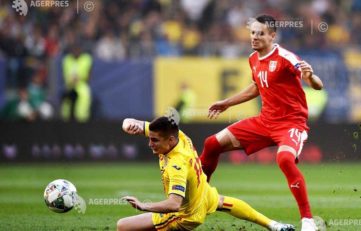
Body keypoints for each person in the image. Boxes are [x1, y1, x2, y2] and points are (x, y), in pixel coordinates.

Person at [199, 15, 324, 231]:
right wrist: (227, 103)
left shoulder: (285, 57)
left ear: (272, 36)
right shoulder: (253, 59)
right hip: (264, 121)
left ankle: (308, 221)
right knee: (212, 143)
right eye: (253, 33)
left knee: (284, 159)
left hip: (291, 123)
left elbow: (317, 84)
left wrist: (311, 77)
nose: (255, 37)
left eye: (261, 33)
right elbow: (257, 86)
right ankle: (198, 195)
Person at [117, 116, 296, 231]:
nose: (150, 144)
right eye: (150, 138)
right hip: (202, 191)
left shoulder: (176, 165)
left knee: (123, 226)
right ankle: (273, 225)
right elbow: (139, 125)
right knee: (224, 202)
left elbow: (173, 204)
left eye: (154, 141)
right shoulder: (179, 135)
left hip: (186, 215)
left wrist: (144, 205)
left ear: (170, 140)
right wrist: (128, 124)